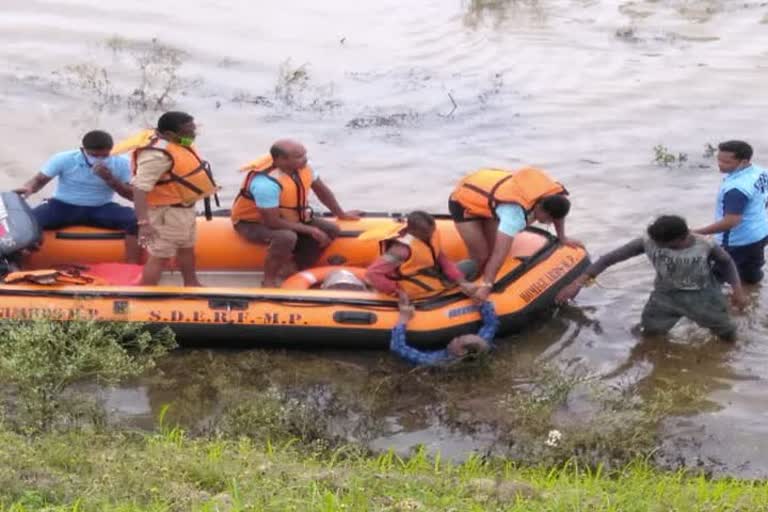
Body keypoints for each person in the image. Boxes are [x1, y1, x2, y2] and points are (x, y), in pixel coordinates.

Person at [556, 215, 747, 342]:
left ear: (683, 237)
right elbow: (609, 259)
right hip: (665, 297)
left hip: (703, 296)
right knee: (650, 333)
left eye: (665, 244)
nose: (659, 246)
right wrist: (576, 284)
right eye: (657, 243)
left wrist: (737, 290)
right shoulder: (648, 241)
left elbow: (726, 262)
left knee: (727, 334)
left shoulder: (705, 245)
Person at [231, 139, 361, 287]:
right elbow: (272, 222)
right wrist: (310, 229)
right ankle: (268, 280)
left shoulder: (305, 167)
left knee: (331, 229)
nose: (305, 159)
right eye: (299, 156)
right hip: (252, 223)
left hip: (290, 217)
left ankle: (295, 268)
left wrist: (341, 213)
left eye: (305, 154)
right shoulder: (265, 184)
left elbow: (322, 191)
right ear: (281, 160)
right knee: (286, 237)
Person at [449, 167, 578, 303]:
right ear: (539, 207)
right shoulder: (513, 215)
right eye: (548, 220)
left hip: (491, 193)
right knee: (482, 256)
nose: (550, 223)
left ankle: (479, 280)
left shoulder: (555, 195)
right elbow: (499, 254)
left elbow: (558, 214)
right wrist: (487, 286)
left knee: (491, 252)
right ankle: (455, 280)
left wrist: (562, 237)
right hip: (464, 200)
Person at [14, 130, 139, 263]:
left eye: (105, 155)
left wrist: (110, 179)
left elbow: (132, 196)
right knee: (26, 224)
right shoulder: (64, 158)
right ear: (82, 149)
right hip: (62, 205)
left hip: (101, 207)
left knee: (136, 220)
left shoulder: (122, 163)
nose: (100, 159)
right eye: (94, 155)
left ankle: (132, 266)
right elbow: (39, 180)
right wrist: (28, 189)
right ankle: (18, 263)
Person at [131, 111, 217, 286]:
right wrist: (143, 223)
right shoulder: (156, 156)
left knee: (187, 249)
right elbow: (139, 189)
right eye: (189, 131)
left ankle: (191, 284)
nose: (193, 134)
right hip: (166, 213)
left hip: (184, 210)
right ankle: (144, 293)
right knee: (160, 256)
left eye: (194, 129)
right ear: (170, 134)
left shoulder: (178, 144)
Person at [694, 140, 768, 284]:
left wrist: (697, 232)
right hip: (761, 233)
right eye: (719, 159)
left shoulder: (736, 188)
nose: (720, 164)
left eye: (726, 162)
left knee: (713, 279)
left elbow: (731, 221)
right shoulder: (761, 172)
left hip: (737, 241)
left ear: (744, 161)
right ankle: (752, 295)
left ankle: (729, 302)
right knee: (751, 273)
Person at [364, 211, 477, 299]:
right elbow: (372, 273)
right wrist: (397, 291)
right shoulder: (401, 250)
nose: (430, 234)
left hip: (433, 276)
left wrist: (461, 281)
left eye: (432, 231)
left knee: (470, 265)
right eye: (426, 233)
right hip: (415, 287)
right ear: (413, 231)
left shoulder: (430, 236)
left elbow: (442, 259)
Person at [391, 295, 499, 366]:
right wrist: (480, 300)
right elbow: (491, 324)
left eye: (458, 340)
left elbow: (398, 347)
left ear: (461, 352)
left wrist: (403, 318)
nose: (455, 338)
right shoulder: (480, 344)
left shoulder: (437, 361)